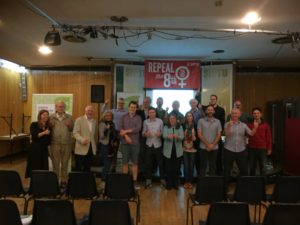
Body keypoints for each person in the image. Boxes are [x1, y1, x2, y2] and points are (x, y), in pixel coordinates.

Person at [223, 108, 258, 189]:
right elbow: (226, 134)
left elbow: (251, 134)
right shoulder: (227, 124)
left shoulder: (243, 125)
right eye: (233, 113)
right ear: (231, 114)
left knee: (244, 170)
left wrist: (255, 127)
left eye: (236, 113)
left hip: (241, 150)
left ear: (239, 114)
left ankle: (243, 187)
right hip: (229, 150)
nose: (234, 115)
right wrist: (229, 126)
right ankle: (225, 188)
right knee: (227, 170)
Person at [49, 100, 74, 186]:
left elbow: (72, 129)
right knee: (55, 163)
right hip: (54, 143)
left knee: (65, 163)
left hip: (67, 143)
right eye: (59, 106)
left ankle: (64, 181)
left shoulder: (70, 117)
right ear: (56, 107)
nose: (61, 108)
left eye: (62, 106)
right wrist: (50, 126)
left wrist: (69, 126)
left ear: (65, 108)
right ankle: (55, 181)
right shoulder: (51, 117)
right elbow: (47, 130)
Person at [101, 97, 127, 172]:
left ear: (123, 104)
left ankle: (125, 167)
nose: (120, 104)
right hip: (114, 134)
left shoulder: (126, 112)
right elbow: (103, 112)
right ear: (117, 103)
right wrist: (105, 104)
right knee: (114, 151)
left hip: (122, 133)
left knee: (125, 150)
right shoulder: (113, 111)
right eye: (119, 103)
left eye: (122, 103)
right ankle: (113, 167)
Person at [120, 101, 142, 185]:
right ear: (128, 107)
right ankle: (125, 181)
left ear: (136, 108)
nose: (133, 109)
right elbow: (121, 129)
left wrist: (126, 131)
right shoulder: (123, 117)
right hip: (125, 143)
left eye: (134, 107)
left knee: (135, 163)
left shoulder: (139, 118)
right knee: (125, 162)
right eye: (131, 107)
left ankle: (134, 181)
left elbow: (138, 128)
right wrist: (126, 136)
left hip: (135, 143)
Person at [25, 109, 51, 178]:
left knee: (44, 167)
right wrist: (44, 133)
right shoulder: (34, 124)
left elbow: (48, 141)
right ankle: (34, 182)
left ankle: (42, 182)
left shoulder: (48, 126)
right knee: (35, 166)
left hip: (44, 150)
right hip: (35, 149)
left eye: (47, 115)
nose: (46, 116)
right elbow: (34, 136)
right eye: (44, 115)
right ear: (40, 116)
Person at [142, 107, 164, 188]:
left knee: (161, 163)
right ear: (148, 114)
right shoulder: (145, 122)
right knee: (148, 164)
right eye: (150, 112)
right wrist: (145, 134)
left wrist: (160, 134)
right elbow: (143, 133)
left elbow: (163, 132)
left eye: (153, 112)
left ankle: (162, 180)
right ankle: (148, 181)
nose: (152, 114)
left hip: (158, 145)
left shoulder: (160, 121)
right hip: (149, 145)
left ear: (155, 113)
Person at [198, 105, 222, 176]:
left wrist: (212, 145)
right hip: (203, 147)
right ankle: (202, 185)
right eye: (208, 110)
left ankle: (211, 184)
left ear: (214, 111)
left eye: (211, 110)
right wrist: (208, 145)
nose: (210, 111)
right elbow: (199, 134)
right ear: (205, 111)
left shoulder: (218, 121)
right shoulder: (200, 121)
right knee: (203, 166)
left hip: (214, 148)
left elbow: (218, 134)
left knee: (213, 166)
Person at [247, 107, 272, 177]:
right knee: (252, 168)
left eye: (258, 113)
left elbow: (269, 137)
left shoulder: (266, 125)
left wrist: (269, 148)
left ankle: (263, 185)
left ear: (261, 114)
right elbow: (247, 135)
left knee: (263, 168)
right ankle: (252, 183)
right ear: (252, 115)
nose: (256, 115)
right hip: (252, 148)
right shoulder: (249, 125)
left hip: (262, 149)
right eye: (254, 113)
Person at [163, 114, 184, 190]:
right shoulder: (165, 127)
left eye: (173, 118)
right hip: (167, 152)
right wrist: (169, 136)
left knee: (176, 169)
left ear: (176, 119)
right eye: (171, 118)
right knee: (168, 169)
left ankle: (175, 184)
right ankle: (169, 184)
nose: (172, 119)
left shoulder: (180, 127)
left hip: (178, 152)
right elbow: (164, 135)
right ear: (169, 120)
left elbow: (182, 137)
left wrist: (177, 136)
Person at [73, 105, 97, 172]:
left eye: (91, 111)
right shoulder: (79, 120)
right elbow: (75, 133)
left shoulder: (94, 122)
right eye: (88, 111)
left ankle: (86, 182)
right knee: (78, 168)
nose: (90, 112)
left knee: (88, 168)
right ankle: (78, 182)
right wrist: (82, 140)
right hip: (80, 148)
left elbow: (92, 136)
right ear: (85, 111)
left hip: (91, 148)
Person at [206, 94, 225, 175]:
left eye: (214, 99)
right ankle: (210, 171)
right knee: (209, 155)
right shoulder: (207, 109)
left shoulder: (221, 109)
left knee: (218, 154)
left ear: (216, 100)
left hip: (217, 134)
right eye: (211, 99)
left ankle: (218, 171)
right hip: (208, 136)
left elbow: (222, 122)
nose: (212, 100)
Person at [99, 110, 118, 181]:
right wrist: (107, 129)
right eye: (107, 116)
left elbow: (114, 134)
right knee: (106, 163)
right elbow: (101, 137)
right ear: (104, 116)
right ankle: (103, 178)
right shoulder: (102, 124)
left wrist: (115, 141)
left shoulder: (112, 124)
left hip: (111, 146)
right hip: (104, 145)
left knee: (109, 163)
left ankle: (107, 177)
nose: (109, 117)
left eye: (110, 116)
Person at [182, 112, 197, 189]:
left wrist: (194, 137)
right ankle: (186, 181)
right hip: (185, 148)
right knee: (186, 166)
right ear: (186, 117)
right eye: (187, 116)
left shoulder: (196, 125)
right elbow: (181, 137)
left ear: (192, 117)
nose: (189, 117)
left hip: (193, 149)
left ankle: (190, 182)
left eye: (190, 116)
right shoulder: (183, 126)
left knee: (191, 166)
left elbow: (197, 138)